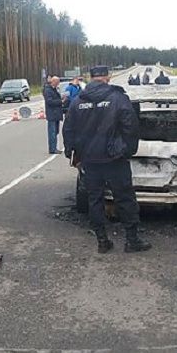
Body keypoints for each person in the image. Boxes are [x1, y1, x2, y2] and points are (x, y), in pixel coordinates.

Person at [63, 65, 151, 254]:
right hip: (114, 158)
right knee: (125, 198)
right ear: (108, 77)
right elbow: (131, 126)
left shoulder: (77, 101)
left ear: (91, 78)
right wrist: (128, 150)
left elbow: (68, 129)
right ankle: (132, 240)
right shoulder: (118, 98)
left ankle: (102, 241)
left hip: (89, 160)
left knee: (95, 200)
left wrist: (72, 153)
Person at [43, 76, 65, 154]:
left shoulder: (54, 89)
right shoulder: (48, 90)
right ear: (54, 82)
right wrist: (60, 101)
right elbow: (49, 102)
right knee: (52, 132)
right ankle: (52, 149)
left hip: (56, 114)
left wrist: (61, 98)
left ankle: (54, 147)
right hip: (52, 114)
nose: (58, 84)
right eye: (57, 82)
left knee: (56, 132)